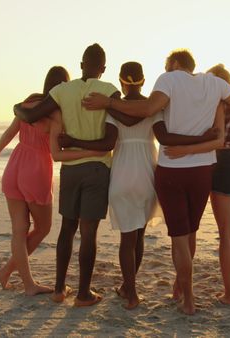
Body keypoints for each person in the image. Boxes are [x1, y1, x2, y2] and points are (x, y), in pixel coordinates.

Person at [82, 49, 230, 315]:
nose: (164, 70)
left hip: (171, 169)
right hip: (202, 170)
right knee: (190, 235)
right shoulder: (215, 83)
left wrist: (109, 103)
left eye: (166, 66)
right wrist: (227, 96)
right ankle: (181, 290)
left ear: (175, 65)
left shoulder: (169, 80)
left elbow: (148, 109)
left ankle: (187, 298)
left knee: (178, 239)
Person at [13, 43, 120, 307]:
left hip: (70, 169)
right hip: (97, 169)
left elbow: (29, 115)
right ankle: (83, 294)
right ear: (103, 69)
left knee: (67, 229)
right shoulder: (109, 91)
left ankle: (59, 290)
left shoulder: (62, 90)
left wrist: (16, 107)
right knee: (89, 233)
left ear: (81, 65)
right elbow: (109, 142)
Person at [164, 64, 230, 305]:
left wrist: (185, 149)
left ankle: (226, 293)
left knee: (226, 235)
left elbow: (214, 138)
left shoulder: (217, 105)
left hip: (223, 164)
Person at [60, 61, 159, 309]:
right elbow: (162, 134)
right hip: (147, 175)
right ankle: (128, 289)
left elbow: (108, 142)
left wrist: (73, 139)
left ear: (121, 82)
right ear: (144, 80)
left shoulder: (112, 111)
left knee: (127, 238)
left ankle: (131, 293)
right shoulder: (152, 107)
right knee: (139, 235)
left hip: (122, 175)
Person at [0, 66, 69, 296]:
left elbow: (11, 131)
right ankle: (13, 275)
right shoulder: (56, 112)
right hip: (36, 170)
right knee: (43, 227)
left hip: (14, 165)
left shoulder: (28, 103)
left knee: (19, 230)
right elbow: (55, 151)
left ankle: (17, 279)